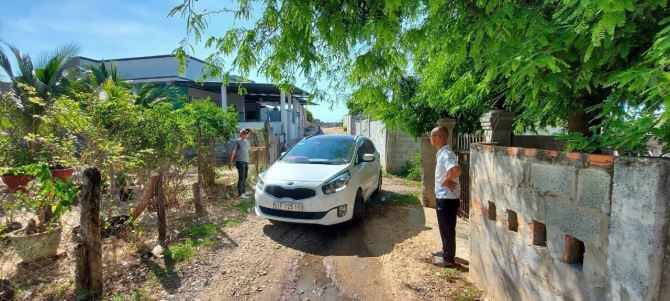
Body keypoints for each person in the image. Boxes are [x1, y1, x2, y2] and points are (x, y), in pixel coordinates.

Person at [429, 126, 462, 268]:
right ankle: (445, 252)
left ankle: (448, 260)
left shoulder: (446, 153)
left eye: (432, 136)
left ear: (439, 137)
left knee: (447, 229)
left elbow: (456, 170)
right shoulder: (442, 152)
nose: (431, 139)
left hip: (447, 198)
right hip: (445, 196)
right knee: (445, 228)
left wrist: (447, 180)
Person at [230, 129, 251, 197]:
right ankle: (240, 193)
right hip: (240, 161)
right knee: (241, 177)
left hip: (246, 161)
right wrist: (230, 162)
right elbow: (233, 151)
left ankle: (243, 192)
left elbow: (249, 149)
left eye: (246, 133)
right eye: (243, 133)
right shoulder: (237, 141)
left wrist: (259, 149)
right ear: (240, 134)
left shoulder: (247, 142)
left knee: (245, 177)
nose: (245, 134)